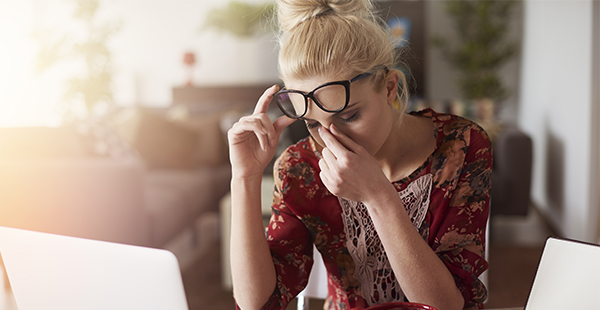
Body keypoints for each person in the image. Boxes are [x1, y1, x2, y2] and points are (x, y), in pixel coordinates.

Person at [227, 0, 491, 309]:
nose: (331, 140)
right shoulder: (301, 168)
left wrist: (378, 196)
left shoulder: (461, 146)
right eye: (312, 123)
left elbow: (448, 306)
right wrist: (244, 177)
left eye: (348, 116)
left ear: (390, 88)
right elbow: (256, 303)